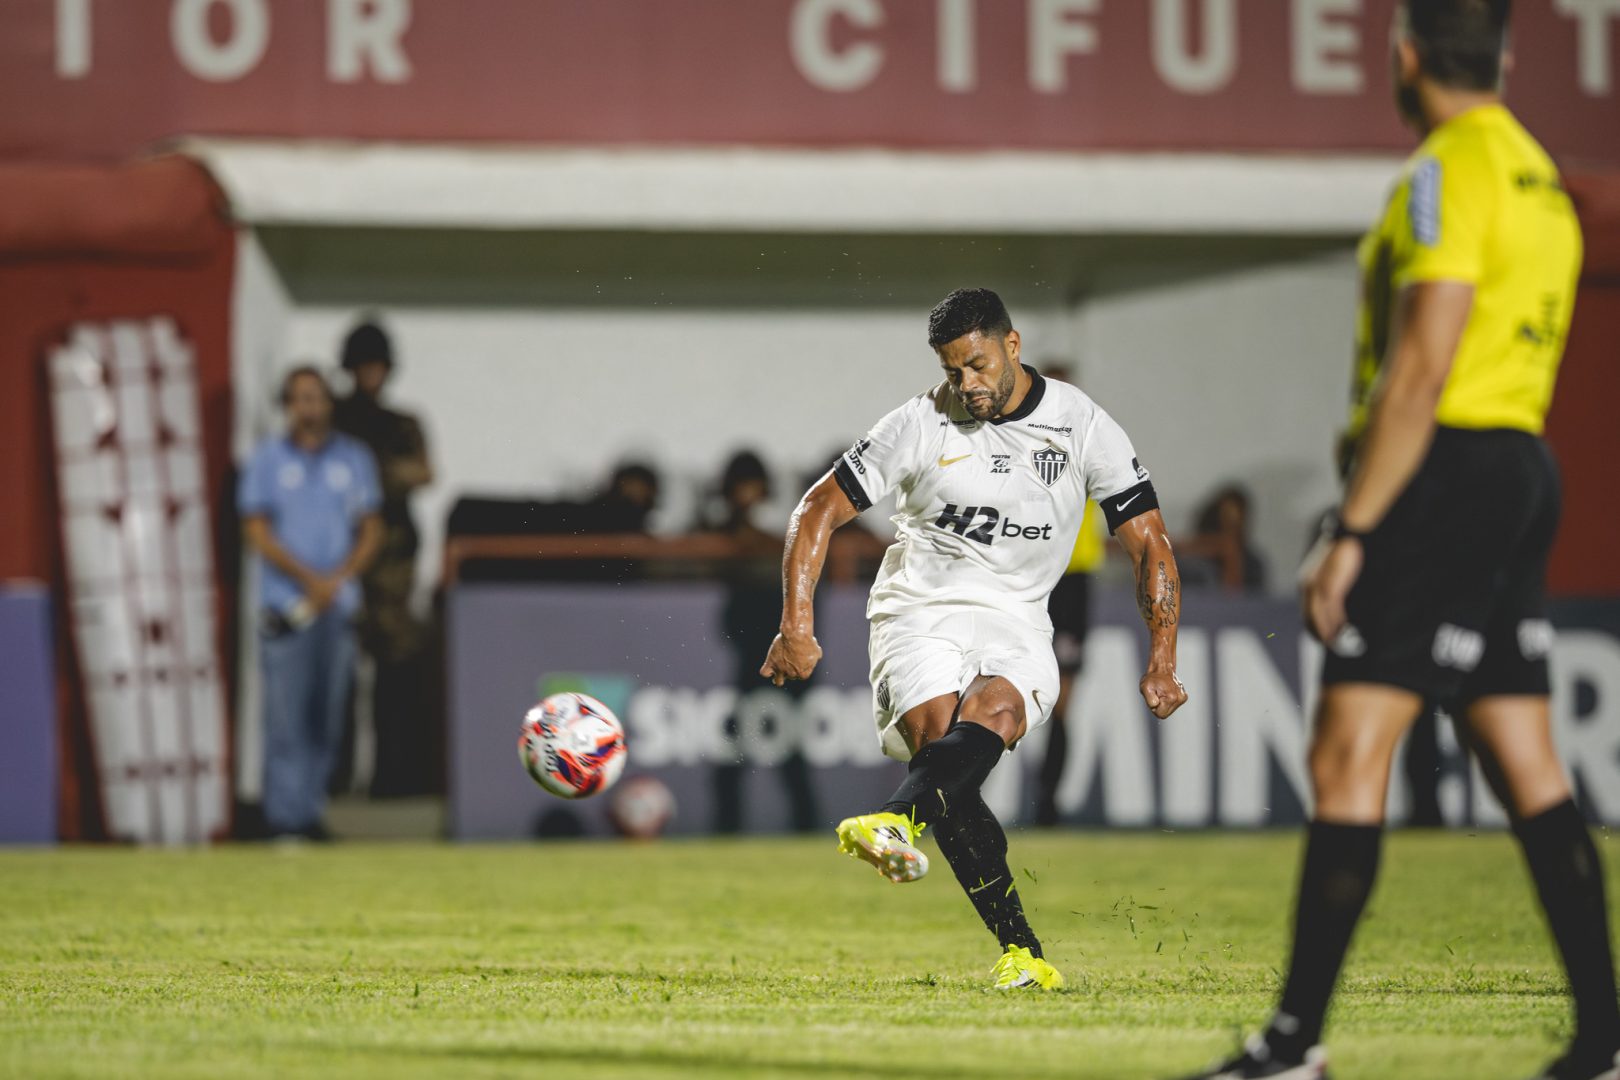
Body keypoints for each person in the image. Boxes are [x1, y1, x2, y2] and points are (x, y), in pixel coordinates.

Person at [1181, 3, 1616, 1078]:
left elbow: (1422, 365)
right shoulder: (1538, 177)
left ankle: (1293, 1046)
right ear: (1508, 57)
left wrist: (1353, 528)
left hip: (1443, 473)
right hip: (1521, 464)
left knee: (1347, 752)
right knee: (1525, 759)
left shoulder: (1443, 171)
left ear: (1406, 54)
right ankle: (1606, 1044)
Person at [760, 288, 1187, 990]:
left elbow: (1149, 545)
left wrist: (1163, 658)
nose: (968, 385)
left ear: (1012, 346)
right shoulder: (920, 421)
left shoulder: (1081, 425)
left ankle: (899, 826)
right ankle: (1019, 946)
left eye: (979, 366)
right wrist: (796, 624)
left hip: (1019, 615)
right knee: (941, 746)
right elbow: (816, 510)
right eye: (954, 370)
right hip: (919, 607)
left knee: (997, 716)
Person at [240, 367, 382, 840]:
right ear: (288, 405)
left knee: (328, 716)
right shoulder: (267, 459)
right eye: (300, 399)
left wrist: (337, 579)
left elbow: (371, 527)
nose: (310, 407)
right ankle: (284, 818)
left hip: (337, 605)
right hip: (287, 607)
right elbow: (258, 530)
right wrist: (309, 579)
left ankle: (311, 809)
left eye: (317, 398)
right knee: (285, 716)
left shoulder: (354, 458)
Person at [331, 320, 434, 797]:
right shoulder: (338, 421)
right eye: (364, 365)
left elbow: (421, 471)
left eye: (377, 365)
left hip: (392, 564)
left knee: (395, 672)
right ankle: (336, 775)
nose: (371, 374)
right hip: (342, 559)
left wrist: (371, 475)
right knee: (337, 674)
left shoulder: (400, 423)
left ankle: (394, 776)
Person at [1034, 365, 1106, 827]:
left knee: (1063, 700)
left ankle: (1048, 805)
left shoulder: (1094, 438)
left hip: (1074, 582)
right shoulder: (1020, 440)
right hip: (1035, 576)